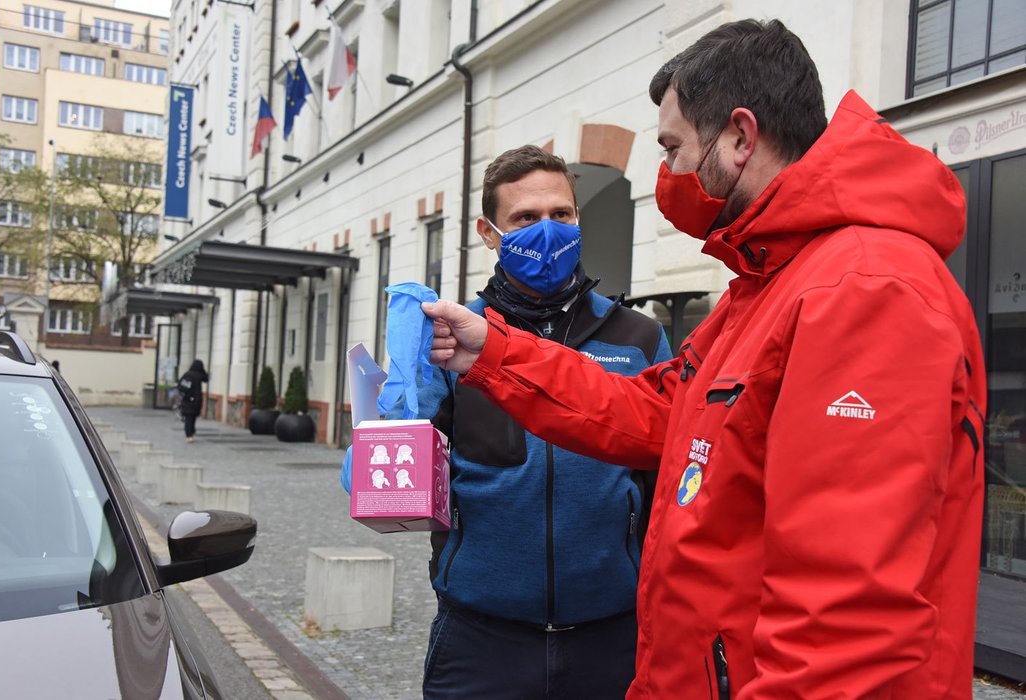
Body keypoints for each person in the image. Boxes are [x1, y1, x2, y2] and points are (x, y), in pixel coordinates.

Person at [422, 19, 986, 699]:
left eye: (674, 148)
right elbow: (658, 411)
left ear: (741, 137)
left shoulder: (863, 289)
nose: (668, 174)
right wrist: (494, 352)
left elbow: (845, 623)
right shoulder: (771, 281)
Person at [344, 145, 672, 699]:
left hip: (613, 637)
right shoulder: (450, 338)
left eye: (561, 215)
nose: (547, 232)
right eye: (525, 218)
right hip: (480, 638)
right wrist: (379, 451)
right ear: (489, 232)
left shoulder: (638, 337)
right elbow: (409, 467)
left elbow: (667, 480)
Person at [177, 359, 208, 443]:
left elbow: (180, 385)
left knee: (188, 418)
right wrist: (203, 371)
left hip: (186, 399)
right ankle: (190, 433)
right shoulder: (199, 375)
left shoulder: (187, 374)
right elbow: (206, 379)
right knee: (193, 417)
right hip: (196, 400)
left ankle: (189, 434)